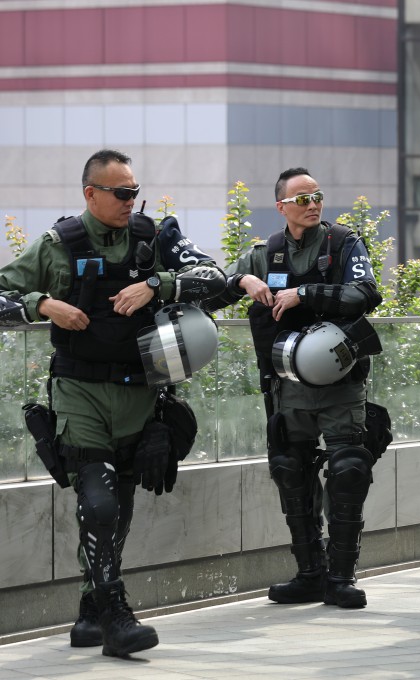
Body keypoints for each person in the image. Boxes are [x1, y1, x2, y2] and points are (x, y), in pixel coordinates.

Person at [0, 149, 226, 658]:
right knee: (98, 502)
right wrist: (41, 304)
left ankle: (88, 611)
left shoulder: (156, 237)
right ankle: (116, 617)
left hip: (142, 394)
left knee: (117, 508)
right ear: (90, 194)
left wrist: (156, 285)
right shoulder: (58, 245)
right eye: (120, 193)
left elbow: (216, 279)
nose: (130, 201)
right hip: (80, 392)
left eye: (133, 191)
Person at [203, 167, 385, 610]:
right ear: (282, 206)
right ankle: (309, 574)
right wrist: (241, 280)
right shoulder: (264, 253)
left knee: (348, 471)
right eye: (302, 199)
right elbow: (211, 296)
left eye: (318, 196)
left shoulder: (344, 244)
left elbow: (366, 292)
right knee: (291, 471)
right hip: (286, 387)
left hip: (341, 381)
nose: (313, 204)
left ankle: (341, 577)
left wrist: (306, 296)